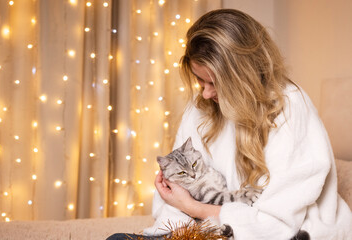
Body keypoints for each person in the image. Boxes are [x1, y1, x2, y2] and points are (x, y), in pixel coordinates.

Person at [107, 9, 351, 240]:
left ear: (242, 77)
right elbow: (174, 198)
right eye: (200, 82)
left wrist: (192, 207)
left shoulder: (290, 106)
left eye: (213, 83)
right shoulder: (201, 108)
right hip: (213, 230)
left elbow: (275, 224)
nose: (204, 94)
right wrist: (180, 216)